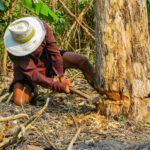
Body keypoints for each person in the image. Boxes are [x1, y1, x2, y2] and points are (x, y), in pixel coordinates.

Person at [4, 16, 96, 105]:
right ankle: (32, 91)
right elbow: (33, 74)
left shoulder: (42, 28)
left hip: (48, 61)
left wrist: (61, 76)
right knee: (19, 101)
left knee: (82, 60)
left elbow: (54, 52)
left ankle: (101, 88)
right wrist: (58, 86)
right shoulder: (13, 51)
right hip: (27, 74)